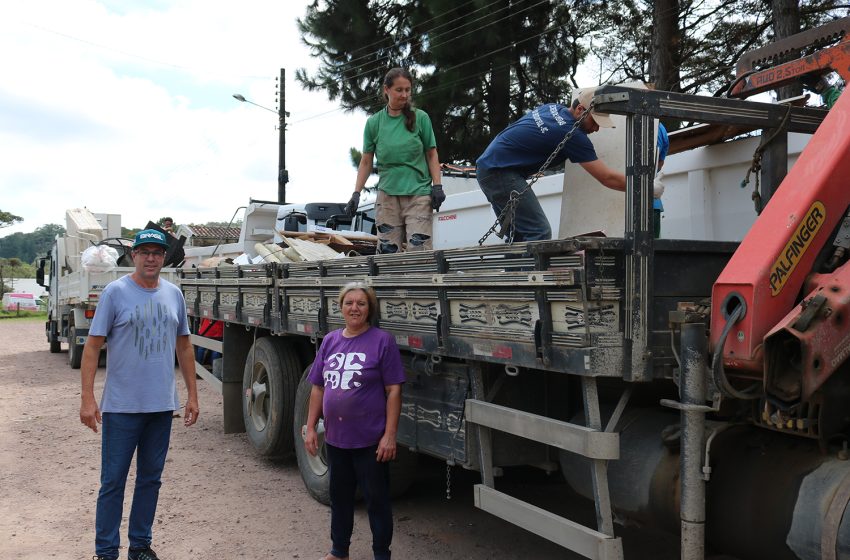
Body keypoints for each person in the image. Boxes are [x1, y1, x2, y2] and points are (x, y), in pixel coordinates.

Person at [80, 228, 199, 560]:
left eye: (157, 252)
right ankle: (105, 552)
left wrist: (192, 395)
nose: (151, 257)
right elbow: (92, 348)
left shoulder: (174, 294)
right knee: (113, 483)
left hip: (161, 406)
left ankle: (140, 546)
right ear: (133, 256)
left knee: (150, 480)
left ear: (164, 258)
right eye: (144, 251)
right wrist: (87, 399)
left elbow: (185, 346)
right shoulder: (115, 293)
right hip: (121, 407)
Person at [304, 282, 405, 560]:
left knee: (377, 501)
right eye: (349, 303)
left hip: (370, 440)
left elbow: (394, 389)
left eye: (361, 303)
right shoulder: (330, 341)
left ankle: (381, 554)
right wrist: (311, 427)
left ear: (369, 309)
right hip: (336, 439)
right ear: (341, 307)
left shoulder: (382, 341)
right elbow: (318, 387)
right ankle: (339, 552)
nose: (354, 308)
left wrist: (390, 435)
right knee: (340, 499)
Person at [475, 87, 627, 242]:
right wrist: (646, 188)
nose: (596, 128)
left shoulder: (552, 108)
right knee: (538, 232)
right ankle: (531, 267)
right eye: (594, 121)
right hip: (500, 171)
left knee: (519, 235)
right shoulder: (572, 135)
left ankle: (514, 266)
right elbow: (607, 178)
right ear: (580, 110)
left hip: (490, 167)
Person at [344, 68, 444, 254]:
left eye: (408, 90)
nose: (405, 95)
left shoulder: (421, 118)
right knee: (388, 255)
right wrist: (356, 193)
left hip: (418, 196)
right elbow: (366, 162)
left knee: (419, 251)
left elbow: (432, 154)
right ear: (386, 90)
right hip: (388, 198)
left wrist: (437, 186)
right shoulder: (374, 123)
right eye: (399, 90)